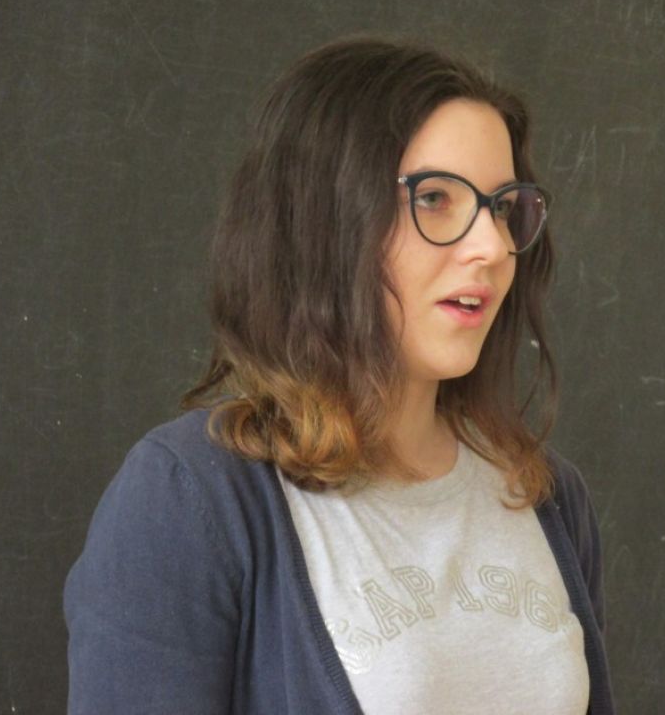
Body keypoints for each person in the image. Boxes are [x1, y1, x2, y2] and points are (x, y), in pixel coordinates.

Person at [64, 38, 615, 715]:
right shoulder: (189, 502)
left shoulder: (547, 496)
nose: (493, 246)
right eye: (435, 198)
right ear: (325, 222)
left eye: (502, 207)